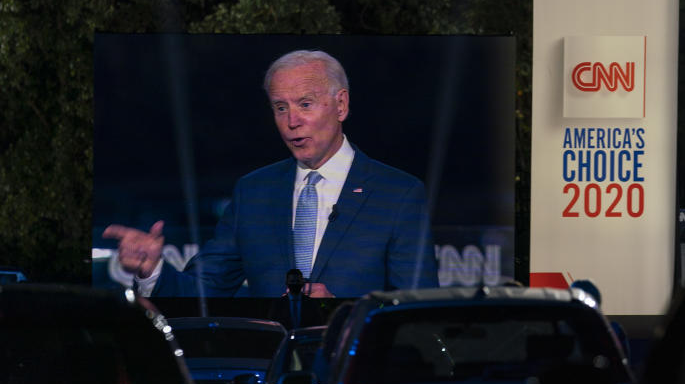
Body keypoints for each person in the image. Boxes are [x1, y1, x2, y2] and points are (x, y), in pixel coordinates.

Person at [103, 49, 439, 298]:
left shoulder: (397, 194)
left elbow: (415, 307)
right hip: (268, 376)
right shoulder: (254, 193)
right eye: (281, 108)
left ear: (341, 105)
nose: (292, 121)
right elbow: (205, 290)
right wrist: (153, 271)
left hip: (354, 378)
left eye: (305, 104)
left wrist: (343, 313)